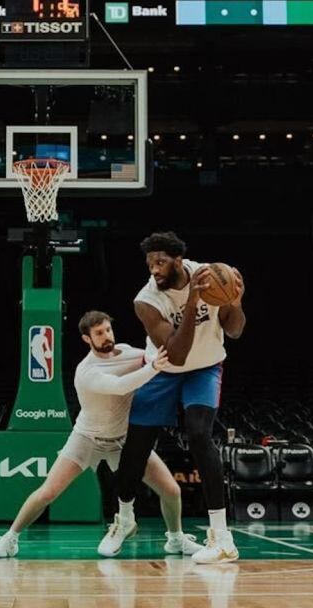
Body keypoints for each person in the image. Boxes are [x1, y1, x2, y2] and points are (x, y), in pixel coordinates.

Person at [0, 310, 205, 559]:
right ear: (87, 339)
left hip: (124, 441)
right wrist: (154, 367)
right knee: (48, 492)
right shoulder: (86, 371)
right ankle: (10, 538)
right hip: (87, 439)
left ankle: (176, 540)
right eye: (99, 333)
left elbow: (156, 355)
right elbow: (120, 386)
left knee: (172, 490)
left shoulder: (129, 353)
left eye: (108, 329)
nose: (106, 335)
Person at [101, 231, 246, 564]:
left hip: (205, 368)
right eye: (150, 263)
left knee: (199, 434)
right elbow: (177, 355)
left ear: (179, 261)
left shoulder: (211, 276)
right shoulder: (146, 301)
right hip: (164, 368)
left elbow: (235, 330)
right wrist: (194, 303)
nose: (154, 269)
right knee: (137, 445)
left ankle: (221, 537)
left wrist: (233, 302)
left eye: (161, 261)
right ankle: (123, 521)